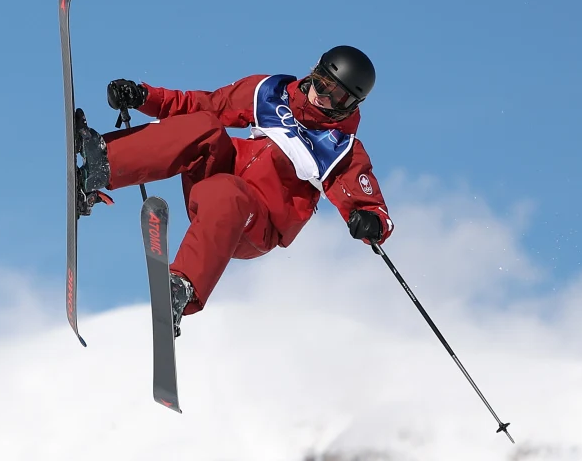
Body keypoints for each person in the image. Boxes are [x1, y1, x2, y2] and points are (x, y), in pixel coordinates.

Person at [73, 45, 393, 335]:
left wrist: (371, 222)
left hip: (255, 225)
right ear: (314, 72)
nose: (323, 98)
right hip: (217, 186)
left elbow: (371, 205)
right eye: (323, 85)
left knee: (230, 193)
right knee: (205, 127)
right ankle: (102, 166)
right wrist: (144, 96)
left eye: (337, 98)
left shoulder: (341, 149)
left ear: (351, 106)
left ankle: (182, 287)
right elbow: (204, 104)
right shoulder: (270, 92)